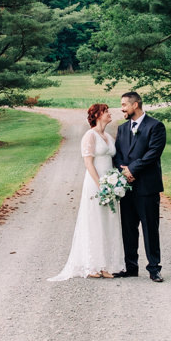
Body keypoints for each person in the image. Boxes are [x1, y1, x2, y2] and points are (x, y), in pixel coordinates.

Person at [48, 103, 125, 281]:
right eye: (106, 111)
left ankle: (105, 265)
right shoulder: (89, 136)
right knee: (95, 221)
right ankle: (92, 265)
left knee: (108, 222)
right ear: (97, 115)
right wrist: (101, 185)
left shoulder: (108, 136)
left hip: (110, 184)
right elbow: (88, 163)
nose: (109, 113)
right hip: (95, 183)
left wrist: (114, 182)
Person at [112, 91, 166, 283]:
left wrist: (132, 170)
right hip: (126, 188)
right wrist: (123, 171)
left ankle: (154, 268)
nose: (122, 108)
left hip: (147, 187)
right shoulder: (123, 128)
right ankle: (131, 267)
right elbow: (117, 154)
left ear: (136, 105)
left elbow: (153, 153)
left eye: (124, 104)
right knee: (128, 229)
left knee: (150, 229)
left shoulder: (156, 126)